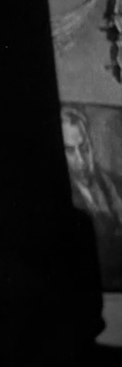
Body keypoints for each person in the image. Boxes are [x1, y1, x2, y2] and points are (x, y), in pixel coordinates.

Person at [61, 105, 122, 288]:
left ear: (91, 143)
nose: (81, 160)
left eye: (84, 147)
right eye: (70, 151)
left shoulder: (116, 185)